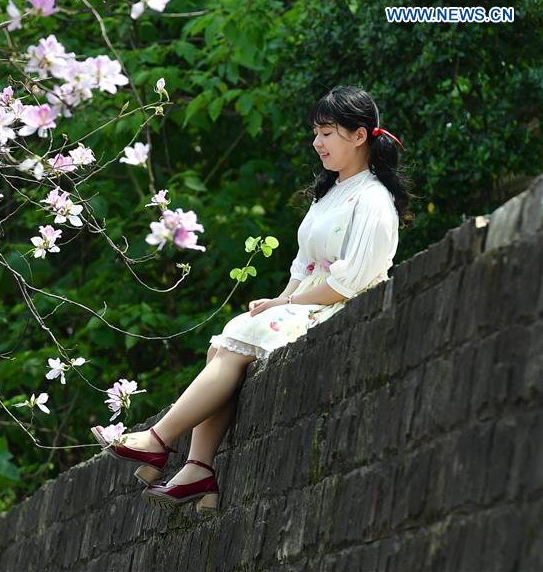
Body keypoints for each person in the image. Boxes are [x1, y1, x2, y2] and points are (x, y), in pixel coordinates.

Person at [91, 84, 414, 514]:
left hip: (342, 308)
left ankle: (158, 441)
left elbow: (351, 282)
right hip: (311, 303)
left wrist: (287, 306)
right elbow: (303, 267)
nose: (317, 143)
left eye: (327, 133)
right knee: (226, 339)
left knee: (235, 337)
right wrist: (277, 300)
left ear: (359, 136)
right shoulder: (330, 193)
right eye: (316, 133)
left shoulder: (374, 199)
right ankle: (197, 466)